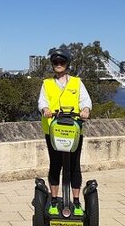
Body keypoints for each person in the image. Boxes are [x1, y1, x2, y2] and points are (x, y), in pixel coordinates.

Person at [38, 47, 92, 216]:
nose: (59, 65)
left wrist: (85, 110)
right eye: (56, 62)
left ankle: (76, 203)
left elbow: (86, 100)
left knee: (74, 166)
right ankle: (54, 201)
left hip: (73, 130)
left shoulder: (77, 82)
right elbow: (42, 102)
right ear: (53, 65)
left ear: (67, 64)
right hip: (53, 131)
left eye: (62, 62)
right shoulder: (46, 83)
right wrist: (45, 108)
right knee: (55, 165)